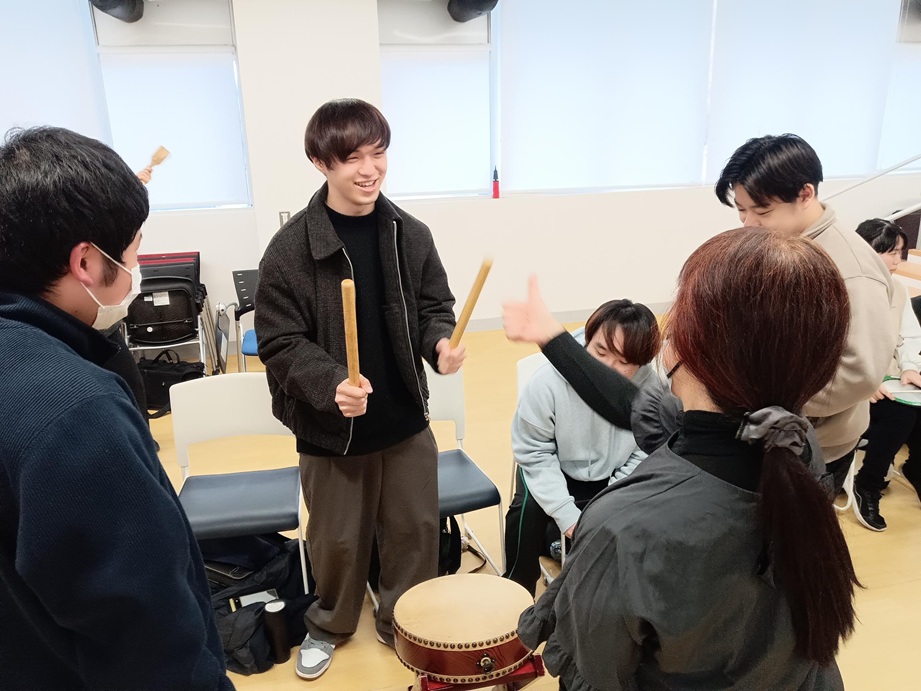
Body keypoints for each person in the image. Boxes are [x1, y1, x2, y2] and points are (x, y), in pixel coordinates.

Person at [515, 228, 859, 690]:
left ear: (684, 348)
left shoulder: (623, 527)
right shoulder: (793, 444)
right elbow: (636, 408)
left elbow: (595, 675)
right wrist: (554, 338)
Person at [0, 126, 233, 690]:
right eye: (133, 249)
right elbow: (148, 639)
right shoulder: (77, 415)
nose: (138, 265)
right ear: (85, 260)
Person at [255, 98, 463, 680]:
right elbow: (279, 341)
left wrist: (440, 344)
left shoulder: (409, 233)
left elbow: (434, 306)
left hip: (404, 418)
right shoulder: (291, 249)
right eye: (352, 158)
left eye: (378, 153)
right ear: (321, 163)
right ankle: (329, 625)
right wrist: (329, 385)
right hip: (332, 429)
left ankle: (405, 622)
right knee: (337, 543)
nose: (370, 169)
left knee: (414, 533)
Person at [715, 134, 895, 492]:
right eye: (741, 209)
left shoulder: (852, 270)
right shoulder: (780, 243)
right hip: (771, 426)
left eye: (762, 211)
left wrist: (763, 395)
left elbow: (861, 373)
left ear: (805, 194)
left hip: (816, 444)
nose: (748, 223)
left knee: (792, 528)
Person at [505, 299, 659, 596]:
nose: (606, 368)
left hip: (612, 474)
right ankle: (516, 589)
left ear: (641, 362)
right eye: (600, 352)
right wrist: (566, 514)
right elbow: (534, 452)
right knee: (525, 511)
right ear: (588, 340)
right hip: (552, 466)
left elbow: (645, 451)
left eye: (623, 362)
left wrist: (609, 501)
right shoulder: (546, 382)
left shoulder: (652, 390)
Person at [852, 218, 921, 530]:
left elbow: (909, 336)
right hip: (851, 382)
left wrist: (910, 367)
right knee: (899, 414)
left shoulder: (898, 290)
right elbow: (838, 348)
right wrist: (867, 382)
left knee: (913, 404)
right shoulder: (845, 288)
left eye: (900, 253)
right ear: (867, 251)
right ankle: (868, 484)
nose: (898, 260)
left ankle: (914, 468)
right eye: (891, 253)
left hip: (887, 378)